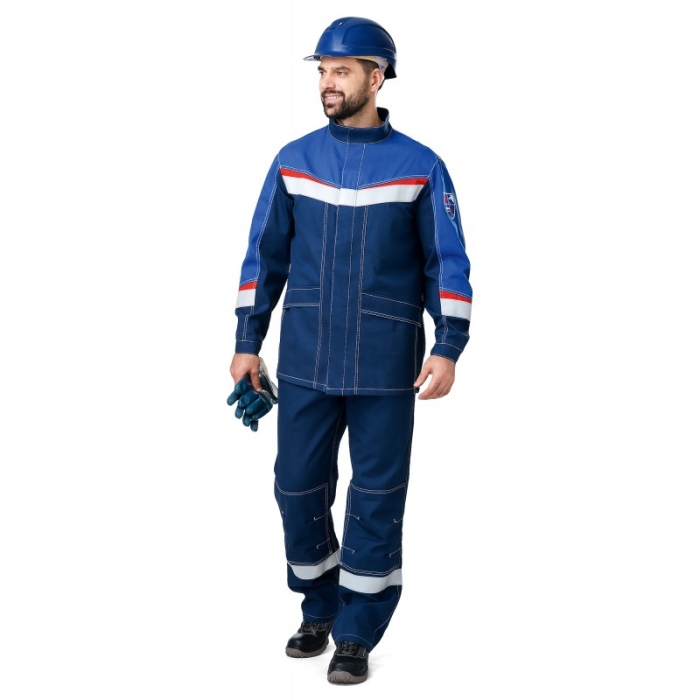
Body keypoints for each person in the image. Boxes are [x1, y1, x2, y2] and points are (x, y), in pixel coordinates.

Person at [228, 16, 473, 685]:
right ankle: (319, 606)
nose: (327, 83)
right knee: (295, 486)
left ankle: (358, 632)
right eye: (322, 72)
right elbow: (263, 257)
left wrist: (449, 345)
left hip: (386, 364)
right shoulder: (293, 159)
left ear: (377, 76)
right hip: (306, 359)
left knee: (377, 495)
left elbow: (446, 264)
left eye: (341, 71)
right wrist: (247, 343)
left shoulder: (421, 166)